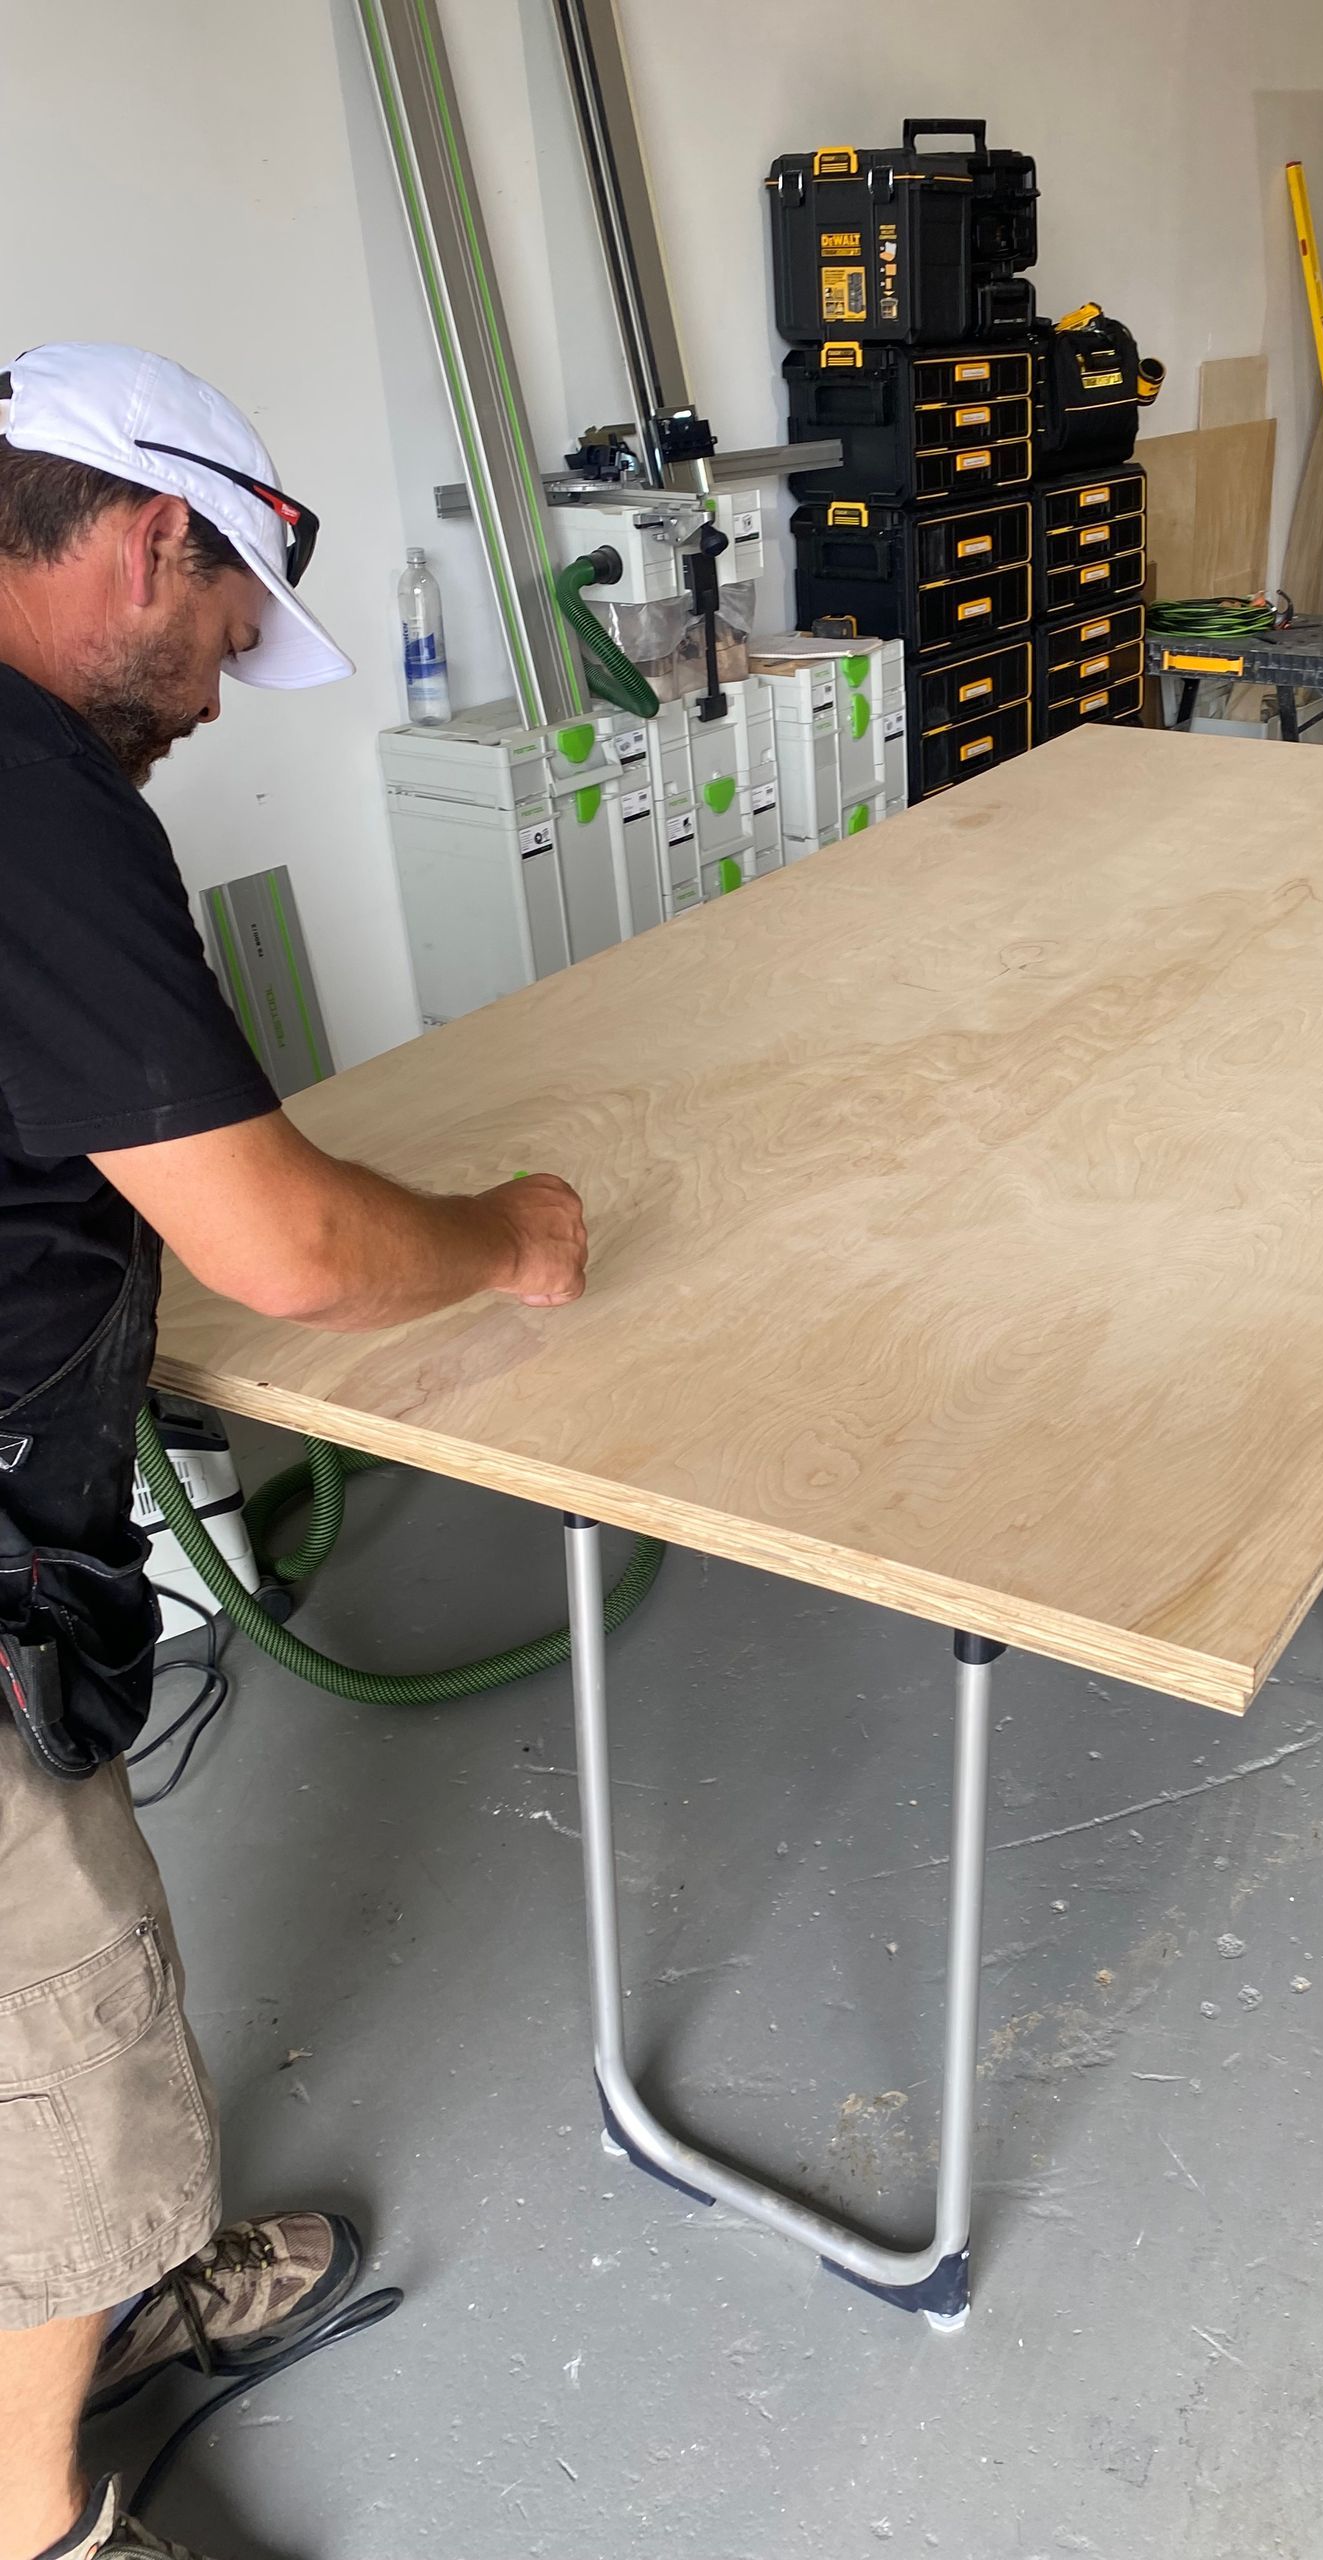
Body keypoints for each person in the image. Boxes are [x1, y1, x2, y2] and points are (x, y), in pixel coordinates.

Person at [0, 344, 590, 2560]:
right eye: (229, 635)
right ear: (154, 537)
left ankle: (116, 2291)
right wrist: (504, 1235)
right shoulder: (33, 794)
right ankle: (39, 2513)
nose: (219, 697)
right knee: (62, 2058)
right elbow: (288, 1240)